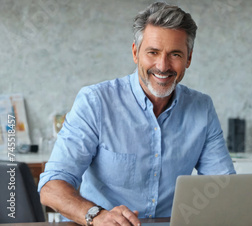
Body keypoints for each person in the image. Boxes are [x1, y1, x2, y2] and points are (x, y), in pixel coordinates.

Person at [38, 2, 236, 225]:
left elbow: (222, 186)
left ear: (188, 59)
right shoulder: (95, 102)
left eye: (175, 54)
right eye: (153, 52)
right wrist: (98, 216)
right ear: (135, 52)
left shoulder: (202, 108)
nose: (163, 65)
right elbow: (51, 187)